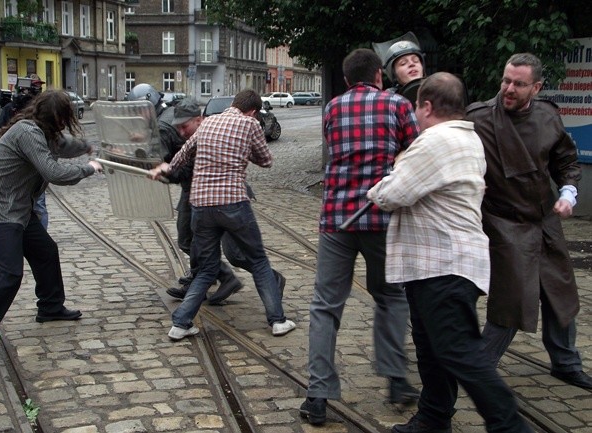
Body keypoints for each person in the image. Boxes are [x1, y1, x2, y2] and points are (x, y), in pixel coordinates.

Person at [368, 72, 533, 433]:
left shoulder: (435, 141)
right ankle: (433, 416)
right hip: (437, 264)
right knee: (432, 350)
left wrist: (380, 185)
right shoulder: (467, 138)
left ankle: (510, 426)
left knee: (461, 352)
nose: (414, 114)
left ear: (426, 106)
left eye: (416, 107)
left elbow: (392, 194)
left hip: (442, 264)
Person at [299, 48, 419, 426]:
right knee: (390, 297)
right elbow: (415, 152)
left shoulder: (333, 109)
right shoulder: (399, 106)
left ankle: (318, 394)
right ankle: (396, 379)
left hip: (337, 219)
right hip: (381, 218)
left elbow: (335, 150)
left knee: (325, 306)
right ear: (380, 75)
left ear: (348, 79)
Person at [466, 53, 592, 390]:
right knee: (511, 299)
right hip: (502, 222)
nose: (508, 88)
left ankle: (566, 363)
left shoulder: (548, 116)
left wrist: (568, 193)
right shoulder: (478, 118)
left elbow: (566, 161)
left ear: (535, 87)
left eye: (518, 84)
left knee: (560, 294)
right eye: (506, 80)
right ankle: (480, 368)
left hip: (544, 219)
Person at [0, 90, 103, 359]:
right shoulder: (28, 132)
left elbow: (66, 145)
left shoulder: (46, 133)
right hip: (1, 208)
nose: (63, 124)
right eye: (63, 118)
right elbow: (54, 172)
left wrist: (89, 147)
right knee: (9, 273)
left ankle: (50, 307)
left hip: (20, 208)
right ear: (53, 116)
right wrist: (88, 168)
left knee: (45, 251)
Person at [150, 89, 295, 340]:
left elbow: (183, 154)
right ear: (252, 111)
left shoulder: (207, 122)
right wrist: (244, 151)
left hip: (201, 206)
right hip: (232, 203)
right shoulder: (249, 123)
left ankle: (181, 323)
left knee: (206, 269)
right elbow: (266, 160)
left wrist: (165, 168)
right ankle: (278, 320)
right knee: (259, 261)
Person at [125, 86, 250, 304]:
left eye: (138, 110)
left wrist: (135, 157)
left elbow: (159, 162)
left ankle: (227, 276)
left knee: (197, 240)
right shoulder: (163, 118)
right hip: (193, 182)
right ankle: (204, 276)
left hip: (202, 186)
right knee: (190, 238)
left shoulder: (162, 126)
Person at [0, 74, 49, 229]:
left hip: (35, 164)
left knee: (39, 204)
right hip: (13, 166)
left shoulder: (42, 110)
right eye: (34, 87)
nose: (37, 91)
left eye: (39, 87)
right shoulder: (10, 108)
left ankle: (40, 237)